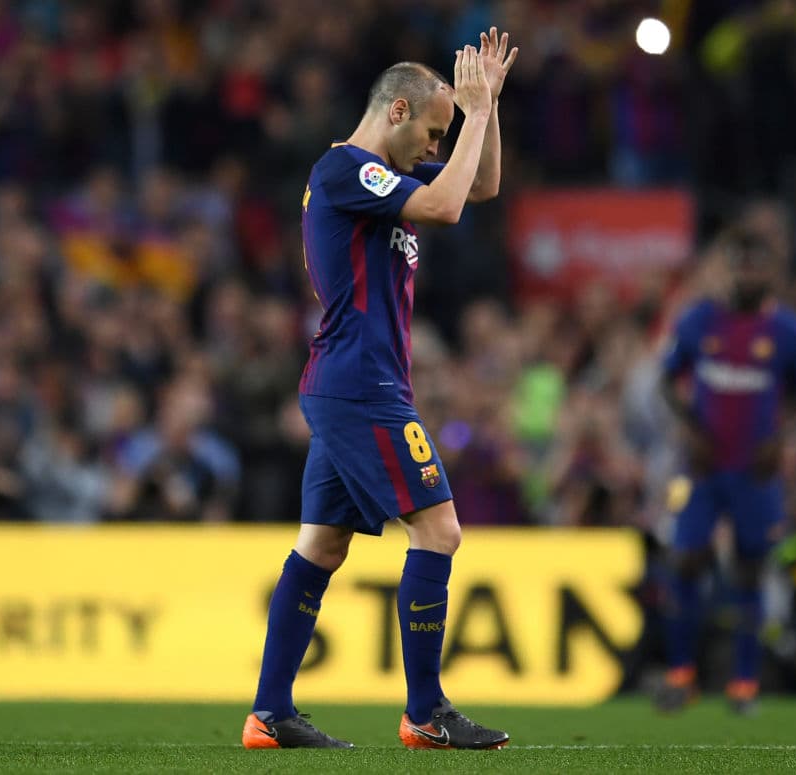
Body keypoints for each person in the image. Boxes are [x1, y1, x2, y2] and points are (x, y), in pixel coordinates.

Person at [241, 29, 518, 750]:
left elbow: (479, 186)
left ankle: (269, 714)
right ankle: (425, 710)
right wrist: (474, 113)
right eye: (431, 133)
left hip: (351, 384)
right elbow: (448, 207)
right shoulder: (347, 170)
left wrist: (486, 108)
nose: (434, 149)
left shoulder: (382, 179)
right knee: (439, 530)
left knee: (322, 545)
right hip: (363, 387)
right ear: (397, 111)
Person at [655, 228, 796, 713]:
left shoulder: (789, 331)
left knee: (750, 569)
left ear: (770, 273)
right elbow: (667, 378)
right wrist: (691, 429)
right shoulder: (698, 320)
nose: (746, 274)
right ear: (727, 268)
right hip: (703, 468)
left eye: (755, 264)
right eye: (740, 263)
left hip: (755, 470)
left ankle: (744, 684)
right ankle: (681, 675)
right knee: (685, 559)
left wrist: (781, 437)